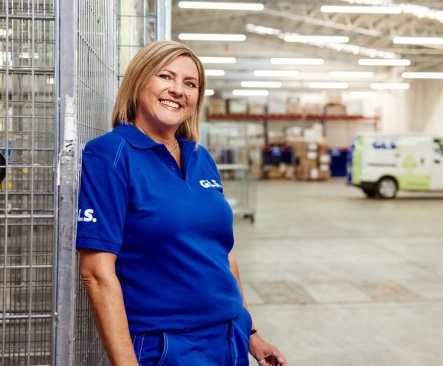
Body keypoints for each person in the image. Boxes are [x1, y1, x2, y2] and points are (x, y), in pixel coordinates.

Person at [76, 40, 287, 366]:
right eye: (166, 77)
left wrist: (252, 334)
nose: (178, 90)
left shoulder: (201, 157)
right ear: (139, 82)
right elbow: (96, 274)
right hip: (169, 345)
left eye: (190, 84)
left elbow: (222, 253)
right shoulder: (110, 155)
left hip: (230, 337)